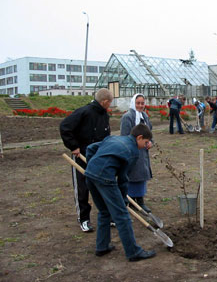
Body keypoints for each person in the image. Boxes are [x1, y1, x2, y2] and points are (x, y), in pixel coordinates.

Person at [85, 124, 156, 262]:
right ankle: (133, 252)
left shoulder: (113, 138)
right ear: (139, 137)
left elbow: (90, 148)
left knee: (104, 212)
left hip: (90, 175)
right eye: (146, 142)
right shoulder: (133, 151)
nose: (146, 145)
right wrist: (123, 200)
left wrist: (92, 165)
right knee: (122, 215)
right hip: (105, 178)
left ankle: (102, 246)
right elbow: (124, 179)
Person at [60, 88, 113, 232]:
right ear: (104, 101)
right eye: (110, 102)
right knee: (82, 188)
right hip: (81, 155)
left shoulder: (104, 114)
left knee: (102, 185)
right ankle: (84, 219)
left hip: (98, 156)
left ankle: (107, 216)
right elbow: (65, 126)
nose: (110, 105)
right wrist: (73, 146)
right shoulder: (84, 112)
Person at [120, 94, 153, 213]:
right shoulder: (127, 117)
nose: (140, 105)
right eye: (138, 103)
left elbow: (149, 133)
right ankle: (130, 200)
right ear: (133, 103)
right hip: (132, 151)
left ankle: (140, 200)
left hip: (143, 152)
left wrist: (150, 142)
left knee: (141, 176)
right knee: (132, 176)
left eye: (142, 103)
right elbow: (124, 135)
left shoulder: (144, 116)